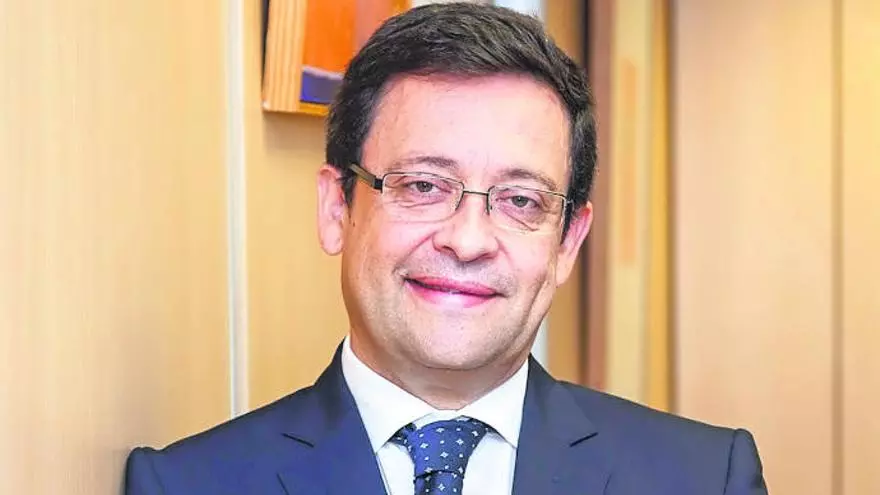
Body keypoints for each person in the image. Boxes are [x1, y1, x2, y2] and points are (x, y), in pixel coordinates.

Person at [125, 3, 767, 494]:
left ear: (568, 241)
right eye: (424, 186)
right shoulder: (188, 485)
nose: (467, 240)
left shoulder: (703, 477)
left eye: (521, 201)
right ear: (336, 209)